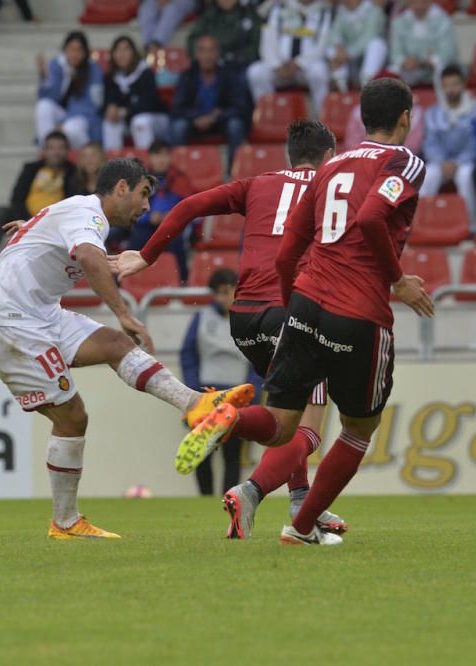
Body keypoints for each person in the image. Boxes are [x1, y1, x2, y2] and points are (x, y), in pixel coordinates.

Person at [175, 78, 435, 546]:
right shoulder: (404, 161)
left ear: (360, 118)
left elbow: (287, 252)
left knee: (281, 425)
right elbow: (373, 217)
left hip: (304, 303)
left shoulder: (330, 169)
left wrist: (299, 305)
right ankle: (299, 527)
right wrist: (398, 281)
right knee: (358, 427)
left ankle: (229, 417)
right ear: (405, 119)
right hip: (358, 311)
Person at [0, 158, 254, 540]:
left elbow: (57, 235)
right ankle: (66, 523)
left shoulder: (78, 213)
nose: (146, 207)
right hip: (12, 323)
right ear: (121, 187)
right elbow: (87, 257)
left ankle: (196, 405)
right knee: (72, 417)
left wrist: (33, 231)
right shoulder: (90, 216)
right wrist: (123, 312)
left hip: (38, 316)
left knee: (114, 345)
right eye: (143, 194)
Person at [110, 120, 347, 539]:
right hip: (291, 312)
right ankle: (242, 455)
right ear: (329, 155)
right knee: (308, 424)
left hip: (243, 317)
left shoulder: (257, 184)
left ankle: (300, 501)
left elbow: (186, 207)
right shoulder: (334, 183)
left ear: (291, 155)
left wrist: (145, 258)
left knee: (283, 415)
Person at [180, 269, 262, 496]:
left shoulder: (251, 320)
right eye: (219, 293)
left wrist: (251, 391)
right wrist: (194, 391)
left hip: (237, 394)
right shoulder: (201, 318)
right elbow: (188, 355)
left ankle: (229, 498)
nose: (224, 298)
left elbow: (260, 360)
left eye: (228, 292)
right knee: (202, 451)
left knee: (232, 452)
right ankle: (205, 498)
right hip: (205, 393)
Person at [0, 131, 83, 262]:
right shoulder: (30, 169)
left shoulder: (74, 172)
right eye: (51, 148)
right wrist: (29, 221)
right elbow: (16, 198)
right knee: (2, 212)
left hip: (55, 222)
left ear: (67, 151)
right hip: (26, 217)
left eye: (60, 148)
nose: (56, 152)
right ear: (44, 151)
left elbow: (74, 201)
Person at [171, 35, 250, 173]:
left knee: (236, 125)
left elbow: (241, 106)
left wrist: (217, 116)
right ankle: (179, 173)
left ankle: (233, 174)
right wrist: (195, 117)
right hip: (194, 122)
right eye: (203, 50)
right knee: (178, 127)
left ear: (218, 53)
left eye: (211, 50)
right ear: (196, 54)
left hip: (220, 121)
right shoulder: (188, 75)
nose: (207, 55)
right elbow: (178, 108)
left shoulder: (229, 74)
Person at [126, 140, 196, 282]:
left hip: (172, 226)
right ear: (150, 158)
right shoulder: (140, 180)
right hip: (145, 225)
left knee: (176, 241)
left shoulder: (180, 179)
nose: (161, 160)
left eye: (165, 155)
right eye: (157, 155)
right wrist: (149, 218)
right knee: (136, 238)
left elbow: (191, 209)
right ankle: (129, 282)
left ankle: (182, 282)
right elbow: (130, 210)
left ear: (170, 157)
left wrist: (169, 217)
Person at [246, 0, 332, 113]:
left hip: (305, 68)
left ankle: (322, 118)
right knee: (256, 72)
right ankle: (269, 115)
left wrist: (298, 63)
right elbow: (268, 40)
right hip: (280, 68)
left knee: (319, 71)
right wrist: (276, 65)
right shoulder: (279, 8)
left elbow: (322, 45)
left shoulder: (324, 11)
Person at [421, 64, 476, 223]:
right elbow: (430, 142)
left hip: (466, 162)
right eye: (446, 85)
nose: (451, 89)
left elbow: (475, 142)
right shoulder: (433, 112)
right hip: (440, 162)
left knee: (466, 177)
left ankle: (470, 225)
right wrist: (442, 162)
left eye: (455, 84)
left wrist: (458, 162)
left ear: (463, 84)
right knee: (426, 176)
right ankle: (420, 223)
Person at [35, 31, 105, 149]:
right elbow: (47, 98)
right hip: (63, 115)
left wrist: (64, 122)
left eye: (79, 50)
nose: (75, 54)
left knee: (71, 128)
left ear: (85, 52)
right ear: (65, 50)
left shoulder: (94, 70)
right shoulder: (56, 65)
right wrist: (46, 79)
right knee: (43, 106)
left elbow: (95, 104)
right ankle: (46, 150)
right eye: (71, 49)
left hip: (84, 117)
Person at [102, 36, 170, 153]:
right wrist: (110, 107)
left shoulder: (145, 72)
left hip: (155, 119)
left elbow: (148, 103)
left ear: (134, 53)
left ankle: (144, 167)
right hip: (127, 120)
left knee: (139, 122)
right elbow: (108, 100)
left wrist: (124, 112)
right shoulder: (111, 76)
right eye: (118, 50)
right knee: (110, 123)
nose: (122, 54)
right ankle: (113, 166)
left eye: (126, 49)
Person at [388, 0, 457, 87]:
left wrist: (432, 60)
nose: (419, 6)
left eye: (422, 2)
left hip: (434, 67)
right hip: (411, 68)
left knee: (442, 69)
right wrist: (404, 61)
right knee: (393, 71)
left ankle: (441, 98)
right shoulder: (399, 22)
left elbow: (448, 51)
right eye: (415, 3)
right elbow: (395, 52)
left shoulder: (443, 20)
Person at [327, 0, 388, 92]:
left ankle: (367, 84)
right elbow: (335, 33)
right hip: (349, 61)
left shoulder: (374, 11)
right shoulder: (341, 12)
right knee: (331, 49)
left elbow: (368, 37)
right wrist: (339, 47)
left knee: (376, 44)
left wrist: (348, 53)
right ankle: (342, 88)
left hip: (372, 61)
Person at [187, 0, 262, 71]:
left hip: (240, 66)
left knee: (257, 71)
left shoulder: (249, 15)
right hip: (213, 65)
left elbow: (255, 45)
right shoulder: (209, 15)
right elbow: (193, 39)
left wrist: (234, 58)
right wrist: (205, 56)